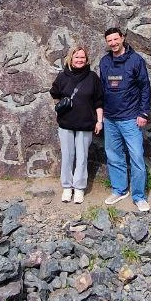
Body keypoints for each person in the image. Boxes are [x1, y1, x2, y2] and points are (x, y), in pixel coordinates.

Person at [99, 26, 151, 213]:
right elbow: (103, 88)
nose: (113, 43)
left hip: (131, 118)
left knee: (136, 157)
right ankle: (119, 190)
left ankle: (139, 196)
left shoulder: (136, 60)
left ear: (122, 38)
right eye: (109, 41)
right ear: (107, 43)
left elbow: (145, 88)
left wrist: (143, 113)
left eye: (116, 39)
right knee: (114, 156)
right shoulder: (104, 62)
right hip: (110, 118)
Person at [49, 43, 103, 205]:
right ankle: (67, 186)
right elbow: (54, 93)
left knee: (82, 156)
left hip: (86, 123)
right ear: (70, 58)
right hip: (66, 123)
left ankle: (79, 188)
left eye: (82, 57)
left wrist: (99, 121)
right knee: (67, 156)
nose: (80, 59)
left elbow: (99, 101)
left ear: (87, 60)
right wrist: (62, 105)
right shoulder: (63, 76)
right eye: (77, 56)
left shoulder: (92, 77)